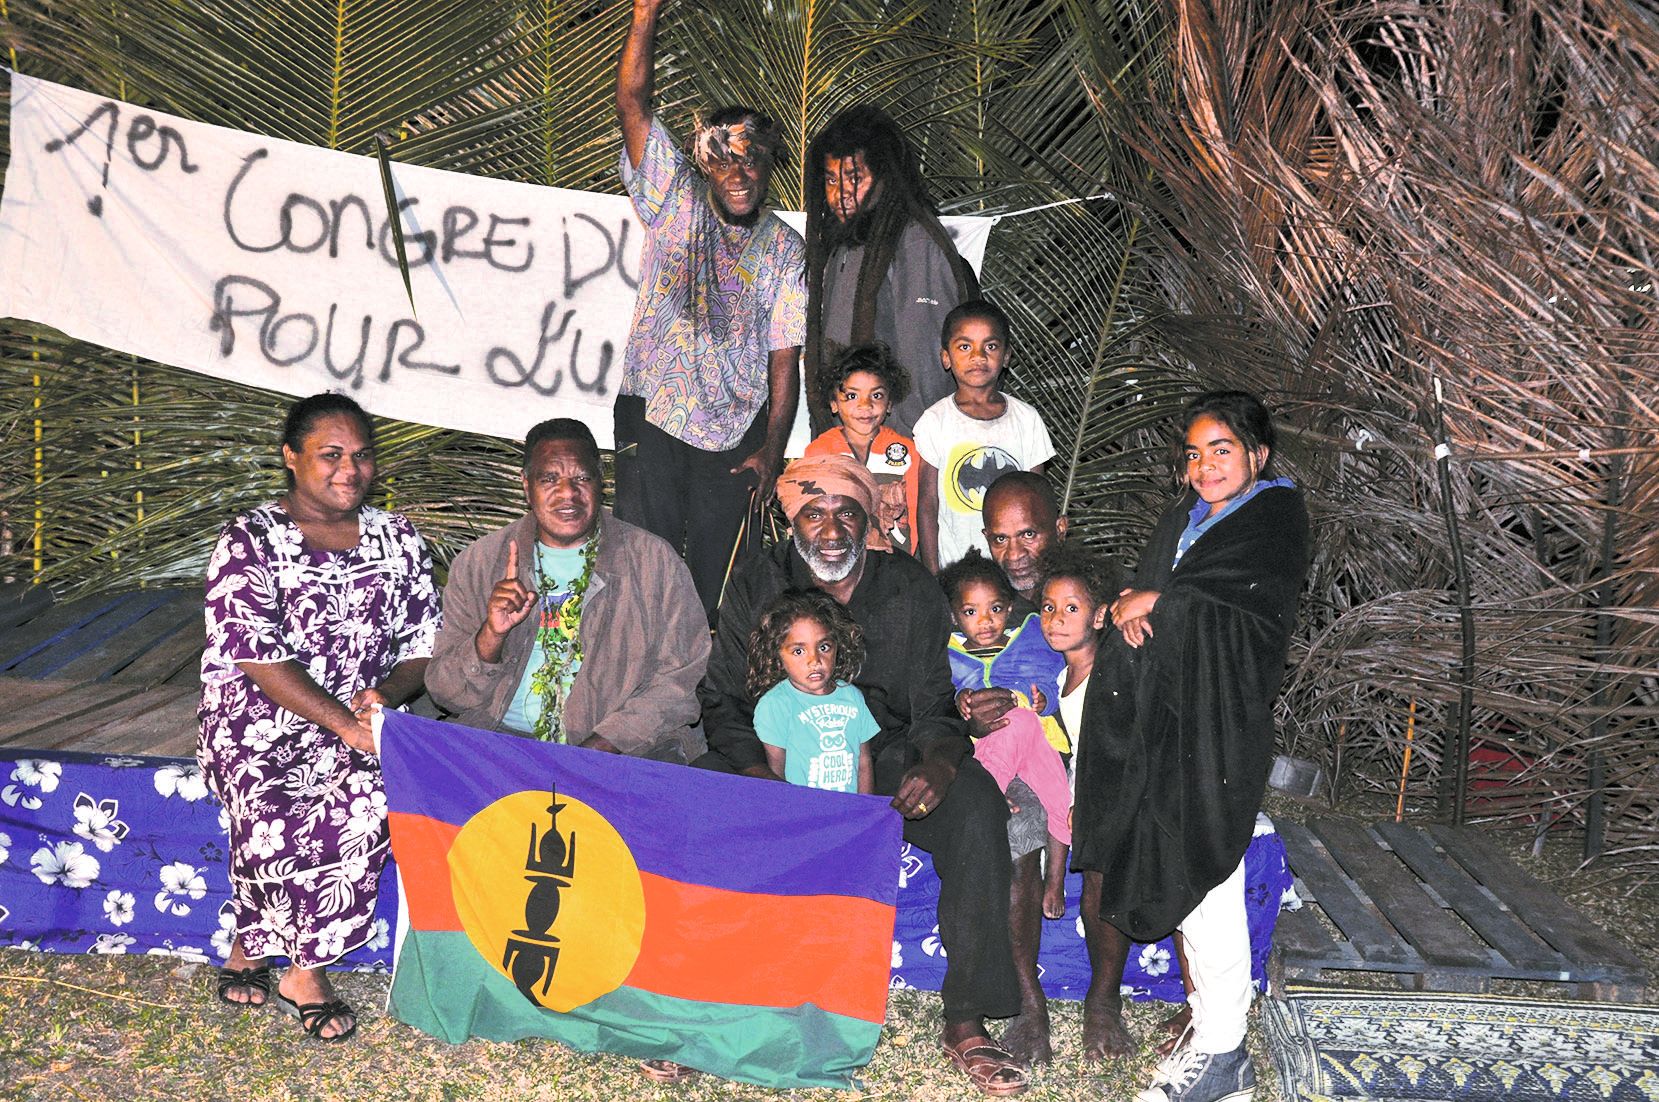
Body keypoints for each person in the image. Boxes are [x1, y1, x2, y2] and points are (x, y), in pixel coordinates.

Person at [699, 453, 1029, 1097]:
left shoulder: (908, 586)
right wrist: (759, 777)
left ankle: (966, 1018)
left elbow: (933, 703)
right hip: (777, 756)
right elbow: (722, 701)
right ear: (792, 521)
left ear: (868, 519)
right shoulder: (757, 580)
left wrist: (940, 761)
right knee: (705, 795)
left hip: (882, 754)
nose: (830, 530)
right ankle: (708, 1000)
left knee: (975, 803)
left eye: (846, 513)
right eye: (813, 514)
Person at [1073, 391, 1309, 1102]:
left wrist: (1162, 605)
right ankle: (1220, 1050)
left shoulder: (1273, 518)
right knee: (1185, 861)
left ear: (1257, 455)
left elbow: (1247, 617)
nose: (1205, 466)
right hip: (1165, 717)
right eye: (1195, 453)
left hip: (1218, 721)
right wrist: (1134, 606)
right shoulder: (1187, 515)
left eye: (1222, 450)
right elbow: (1157, 590)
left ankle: (1222, 1048)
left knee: (1209, 866)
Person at [198, 392, 440, 1042]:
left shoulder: (398, 538)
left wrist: (386, 692)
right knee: (270, 805)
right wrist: (340, 723)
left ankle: (295, 968)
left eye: (361, 455)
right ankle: (266, 946)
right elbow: (254, 653)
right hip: (257, 719)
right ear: (290, 456)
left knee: (370, 796)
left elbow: (425, 641)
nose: (349, 469)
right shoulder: (249, 538)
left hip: (360, 716)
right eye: (330, 454)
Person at [612, 0, 806, 621]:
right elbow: (633, 104)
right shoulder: (675, 197)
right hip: (653, 414)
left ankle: (710, 684)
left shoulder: (786, 249)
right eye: (724, 158)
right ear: (704, 163)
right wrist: (645, 14)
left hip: (734, 432)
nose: (738, 172)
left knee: (719, 589)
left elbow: (785, 358)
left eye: (751, 158)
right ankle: (638, 678)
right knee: (643, 570)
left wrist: (772, 448)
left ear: (769, 164)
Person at [425, 419, 708, 761]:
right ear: (526, 486)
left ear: (600, 482)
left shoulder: (653, 562)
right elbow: (446, 694)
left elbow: (679, 681)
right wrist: (491, 636)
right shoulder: (480, 562)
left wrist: (599, 748)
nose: (568, 494)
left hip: (617, 750)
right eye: (549, 479)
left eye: (582, 478)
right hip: (501, 743)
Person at [803, 104, 978, 438]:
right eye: (831, 179)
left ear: (885, 177)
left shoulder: (916, 241)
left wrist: (909, 452)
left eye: (855, 178)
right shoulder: (844, 242)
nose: (841, 193)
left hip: (898, 450)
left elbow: (924, 367)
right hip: (847, 445)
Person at [1031, 542, 1139, 1061]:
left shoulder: (1109, 671)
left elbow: (1124, 746)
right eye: (1048, 607)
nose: (1056, 618)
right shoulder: (1061, 674)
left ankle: (1103, 998)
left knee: (1101, 872)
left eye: (1071, 608)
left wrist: (1090, 798)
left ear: (1099, 617)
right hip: (1086, 783)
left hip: (1117, 790)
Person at [940, 551, 1071, 920]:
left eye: (995, 609)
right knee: (1014, 727)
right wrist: (961, 702)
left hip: (1038, 737)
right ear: (954, 616)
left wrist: (1042, 701)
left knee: (1060, 797)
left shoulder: (1029, 637)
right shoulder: (949, 652)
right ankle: (989, 795)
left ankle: (1055, 878)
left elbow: (1052, 679)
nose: (985, 621)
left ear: (1009, 608)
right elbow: (942, 697)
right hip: (991, 741)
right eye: (971, 612)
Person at [916, 300, 1055, 573]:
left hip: (1016, 563)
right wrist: (933, 575)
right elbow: (927, 505)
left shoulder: (1026, 419)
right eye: (964, 347)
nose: (978, 356)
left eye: (990, 346)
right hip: (956, 567)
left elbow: (1038, 500)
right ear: (946, 357)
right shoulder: (935, 421)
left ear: (1006, 356)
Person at [750, 588, 878, 793]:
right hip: (803, 809)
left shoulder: (852, 696)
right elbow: (775, 775)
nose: (814, 660)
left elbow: (864, 762)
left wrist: (865, 807)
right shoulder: (774, 705)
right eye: (799, 651)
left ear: (838, 646)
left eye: (824, 647)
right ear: (778, 655)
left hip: (849, 809)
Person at [803, 341, 924, 554]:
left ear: (889, 403)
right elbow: (811, 512)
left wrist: (910, 558)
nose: (865, 405)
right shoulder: (820, 451)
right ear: (834, 403)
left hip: (894, 559)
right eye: (852, 396)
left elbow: (916, 511)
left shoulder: (906, 451)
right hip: (839, 557)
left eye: (876, 395)